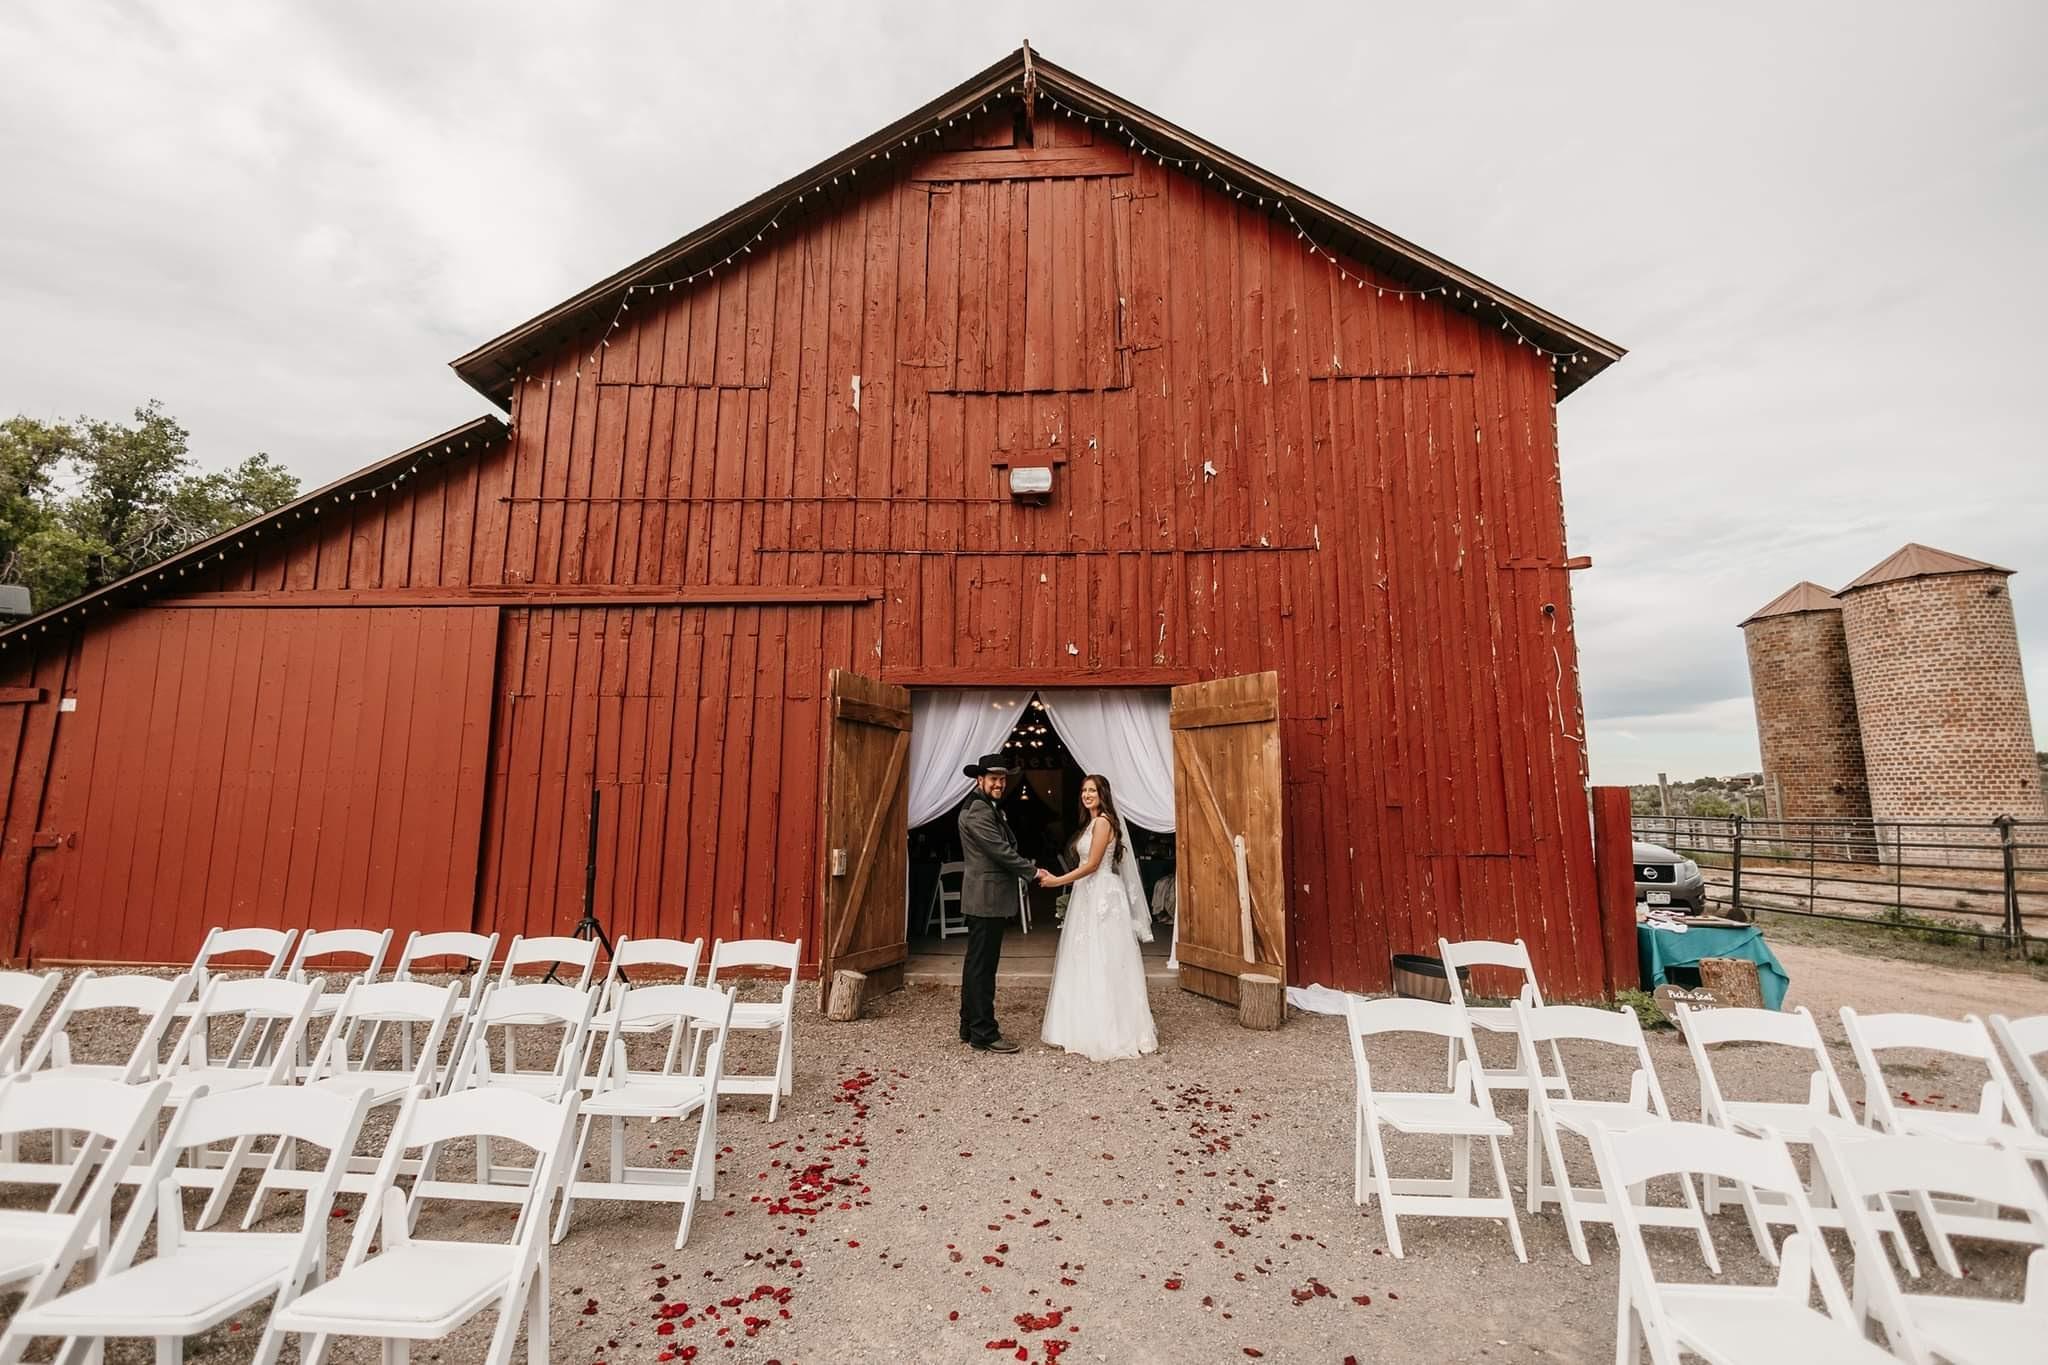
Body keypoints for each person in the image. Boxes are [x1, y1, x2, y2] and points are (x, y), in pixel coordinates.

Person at [1040, 774, 1158, 1061]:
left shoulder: (1103, 822)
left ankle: (1108, 1031)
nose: (1087, 794)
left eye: (1092, 790)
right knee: (1085, 956)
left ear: (1103, 794)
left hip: (1101, 893)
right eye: (1084, 790)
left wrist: (1057, 881)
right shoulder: (1093, 823)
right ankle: (1082, 1025)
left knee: (1103, 957)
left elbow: (1092, 864)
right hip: (1088, 893)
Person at [956, 752, 1051, 1053]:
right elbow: (1000, 850)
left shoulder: (986, 806)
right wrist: (1033, 872)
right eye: (994, 779)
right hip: (986, 898)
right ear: (979, 779)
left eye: (1002, 779)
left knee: (977, 966)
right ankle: (984, 1033)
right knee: (982, 969)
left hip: (987, 897)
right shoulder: (978, 811)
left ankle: (969, 1026)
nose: (999, 784)